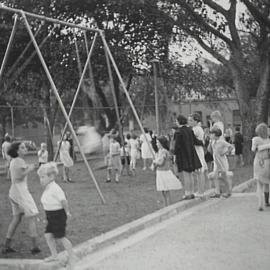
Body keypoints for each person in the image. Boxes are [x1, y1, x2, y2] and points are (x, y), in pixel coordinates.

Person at [2, 142, 40, 255]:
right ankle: (35, 247)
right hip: (20, 192)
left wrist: (30, 166)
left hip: (14, 192)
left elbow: (20, 171)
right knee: (32, 216)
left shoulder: (15, 161)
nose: (25, 149)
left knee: (17, 218)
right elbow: (20, 175)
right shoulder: (19, 160)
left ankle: (6, 246)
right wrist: (31, 168)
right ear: (17, 151)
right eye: (22, 148)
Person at [37, 162, 77, 267]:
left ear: (51, 177)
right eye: (40, 177)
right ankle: (54, 255)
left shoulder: (55, 188)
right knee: (48, 235)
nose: (41, 180)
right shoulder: (47, 188)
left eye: (43, 177)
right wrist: (47, 218)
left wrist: (67, 212)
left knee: (61, 236)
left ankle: (72, 256)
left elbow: (63, 201)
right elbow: (48, 203)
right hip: (51, 216)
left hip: (58, 215)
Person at [173, 115, 202, 200]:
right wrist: (202, 142)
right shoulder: (190, 130)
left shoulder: (178, 132)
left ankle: (187, 193)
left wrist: (174, 155)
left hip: (183, 155)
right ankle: (192, 192)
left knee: (186, 175)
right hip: (191, 154)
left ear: (179, 121)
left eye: (176, 121)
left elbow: (177, 146)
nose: (176, 122)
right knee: (190, 174)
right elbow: (195, 141)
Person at [153, 136, 182, 206]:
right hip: (160, 172)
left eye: (157, 142)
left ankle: (169, 205)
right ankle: (165, 205)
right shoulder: (159, 151)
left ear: (161, 143)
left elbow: (161, 163)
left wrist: (155, 162)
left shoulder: (164, 151)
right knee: (162, 190)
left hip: (164, 172)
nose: (156, 144)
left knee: (166, 190)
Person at [208, 128, 234, 198]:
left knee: (224, 176)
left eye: (212, 134)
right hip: (216, 160)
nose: (210, 135)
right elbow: (210, 150)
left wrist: (224, 153)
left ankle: (228, 191)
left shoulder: (221, 141)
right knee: (215, 176)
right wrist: (210, 143)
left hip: (222, 160)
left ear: (216, 135)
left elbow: (231, 147)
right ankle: (217, 192)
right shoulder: (213, 142)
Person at [251, 123, 270, 211]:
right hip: (267, 162)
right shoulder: (268, 140)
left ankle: (260, 204)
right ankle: (266, 201)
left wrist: (260, 147)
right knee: (266, 182)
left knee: (259, 183)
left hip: (258, 161)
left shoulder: (255, 139)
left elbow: (253, 149)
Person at [188, 114, 208, 197]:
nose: (189, 122)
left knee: (200, 171)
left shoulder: (197, 129)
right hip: (195, 150)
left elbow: (195, 140)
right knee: (197, 172)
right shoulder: (194, 129)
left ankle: (201, 191)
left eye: (191, 120)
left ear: (196, 121)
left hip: (198, 151)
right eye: (189, 120)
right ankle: (200, 190)